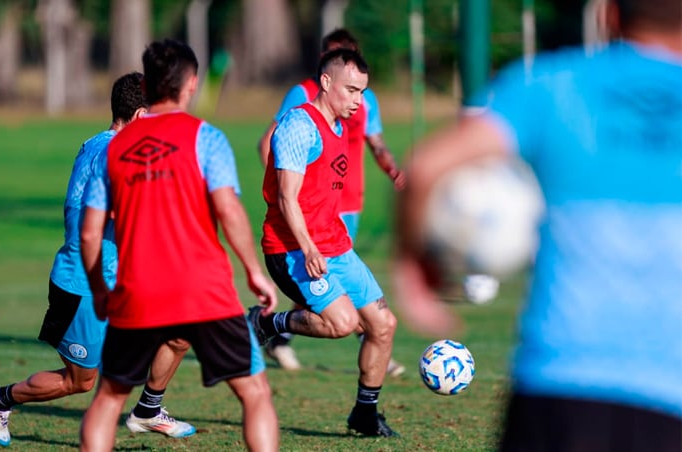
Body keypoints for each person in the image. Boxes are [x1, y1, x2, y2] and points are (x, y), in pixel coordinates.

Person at [394, 0, 682, 450]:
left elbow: (427, 169)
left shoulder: (551, 83)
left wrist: (413, 269)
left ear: (608, 15)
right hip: (669, 393)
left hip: (558, 380)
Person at [0, 72, 195, 448]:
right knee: (79, 381)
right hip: (84, 286)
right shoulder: (109, 153)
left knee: (179, 334)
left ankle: (148, 410)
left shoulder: (105, 146)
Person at [79, 39, 280, 452]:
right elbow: (229, 210)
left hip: (138, 291)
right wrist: (254, 271)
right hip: (204, 290)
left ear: (148, 86)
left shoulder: (114, 147)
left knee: (108, 399)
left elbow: (88, 233)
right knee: (255, 393)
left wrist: (100, 289)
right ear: (191, 84)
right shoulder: (206, 137)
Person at [249, 48, 399, 438]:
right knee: (343, 323)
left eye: (362, 93)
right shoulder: (300, 125)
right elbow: (286, 197)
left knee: (383, 325)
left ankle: (364, 414)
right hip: (292, 249)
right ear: (327, 82)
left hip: (335, 246)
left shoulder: (339, 127)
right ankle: (266, 322)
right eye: (351, 90)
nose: (357, 100)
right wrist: (310, 247)